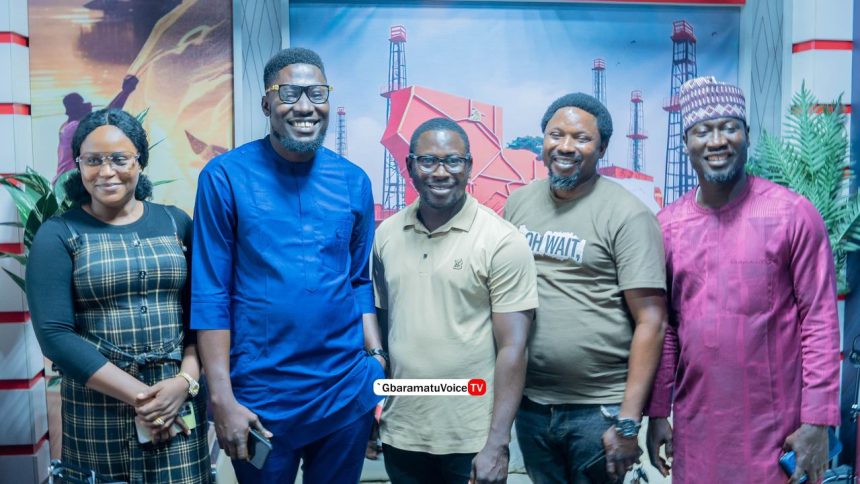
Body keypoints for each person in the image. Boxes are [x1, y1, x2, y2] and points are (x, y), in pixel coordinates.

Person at [191, 47, 384, 483]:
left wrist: (376, 361)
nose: (305, 106)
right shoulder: (224, 177)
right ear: (266, 103)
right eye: (289, 93)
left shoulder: (353, 181)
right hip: (259, 399)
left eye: (317, 93)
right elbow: (210, 293)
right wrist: (221, 398)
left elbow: (358, 281)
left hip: (344, 393)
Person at [644, 76, 841, 484]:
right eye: (703, 131)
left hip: (778, 433)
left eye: (729, 127)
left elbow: (820, 322)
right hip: (696, 433)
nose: (717, 141)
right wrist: (659, 411)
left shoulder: (793, 215)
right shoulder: (667, 227)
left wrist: (817, 421)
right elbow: (666, 329)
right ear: (686, 143)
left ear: (747, 135)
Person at [27, 108, 209, 483]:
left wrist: (184, 383)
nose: (106, 171)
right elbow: (55, 336)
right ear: (78, 165)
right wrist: (145, 399)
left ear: (140, 161)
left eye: (119, 159)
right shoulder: (58, 234)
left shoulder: (176, 223)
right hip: (98, 412)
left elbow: (201, 316)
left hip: (177, 403)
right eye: (92, 160)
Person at [503, 93, 668, 483]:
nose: (565, 146)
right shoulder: (518, 204)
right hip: (532, 405)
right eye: (555, 134)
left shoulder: (628, 215)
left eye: (581, 138)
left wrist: (628, 422)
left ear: (602, 148)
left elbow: (652, 322)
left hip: (598, 409)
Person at [372, 117, 539, 484]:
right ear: (410, 166)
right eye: (428, 161)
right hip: (402, 432)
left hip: (472, 440)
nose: (440, 172)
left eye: (453, 161)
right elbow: (385, 332)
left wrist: (497, 443)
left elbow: (514, 348)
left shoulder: (501, 241)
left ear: (469, 166)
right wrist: (375, 408)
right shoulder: (386, 235)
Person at [56, 75, 138, 181]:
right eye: (82, 103)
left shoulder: (66, 126)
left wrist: (124, 91)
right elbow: (108, 115)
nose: (87, 104)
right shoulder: (74, 128)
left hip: (67, 181)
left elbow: (106, 113)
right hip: (68, 183)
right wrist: (126, 92)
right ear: (74, 109)